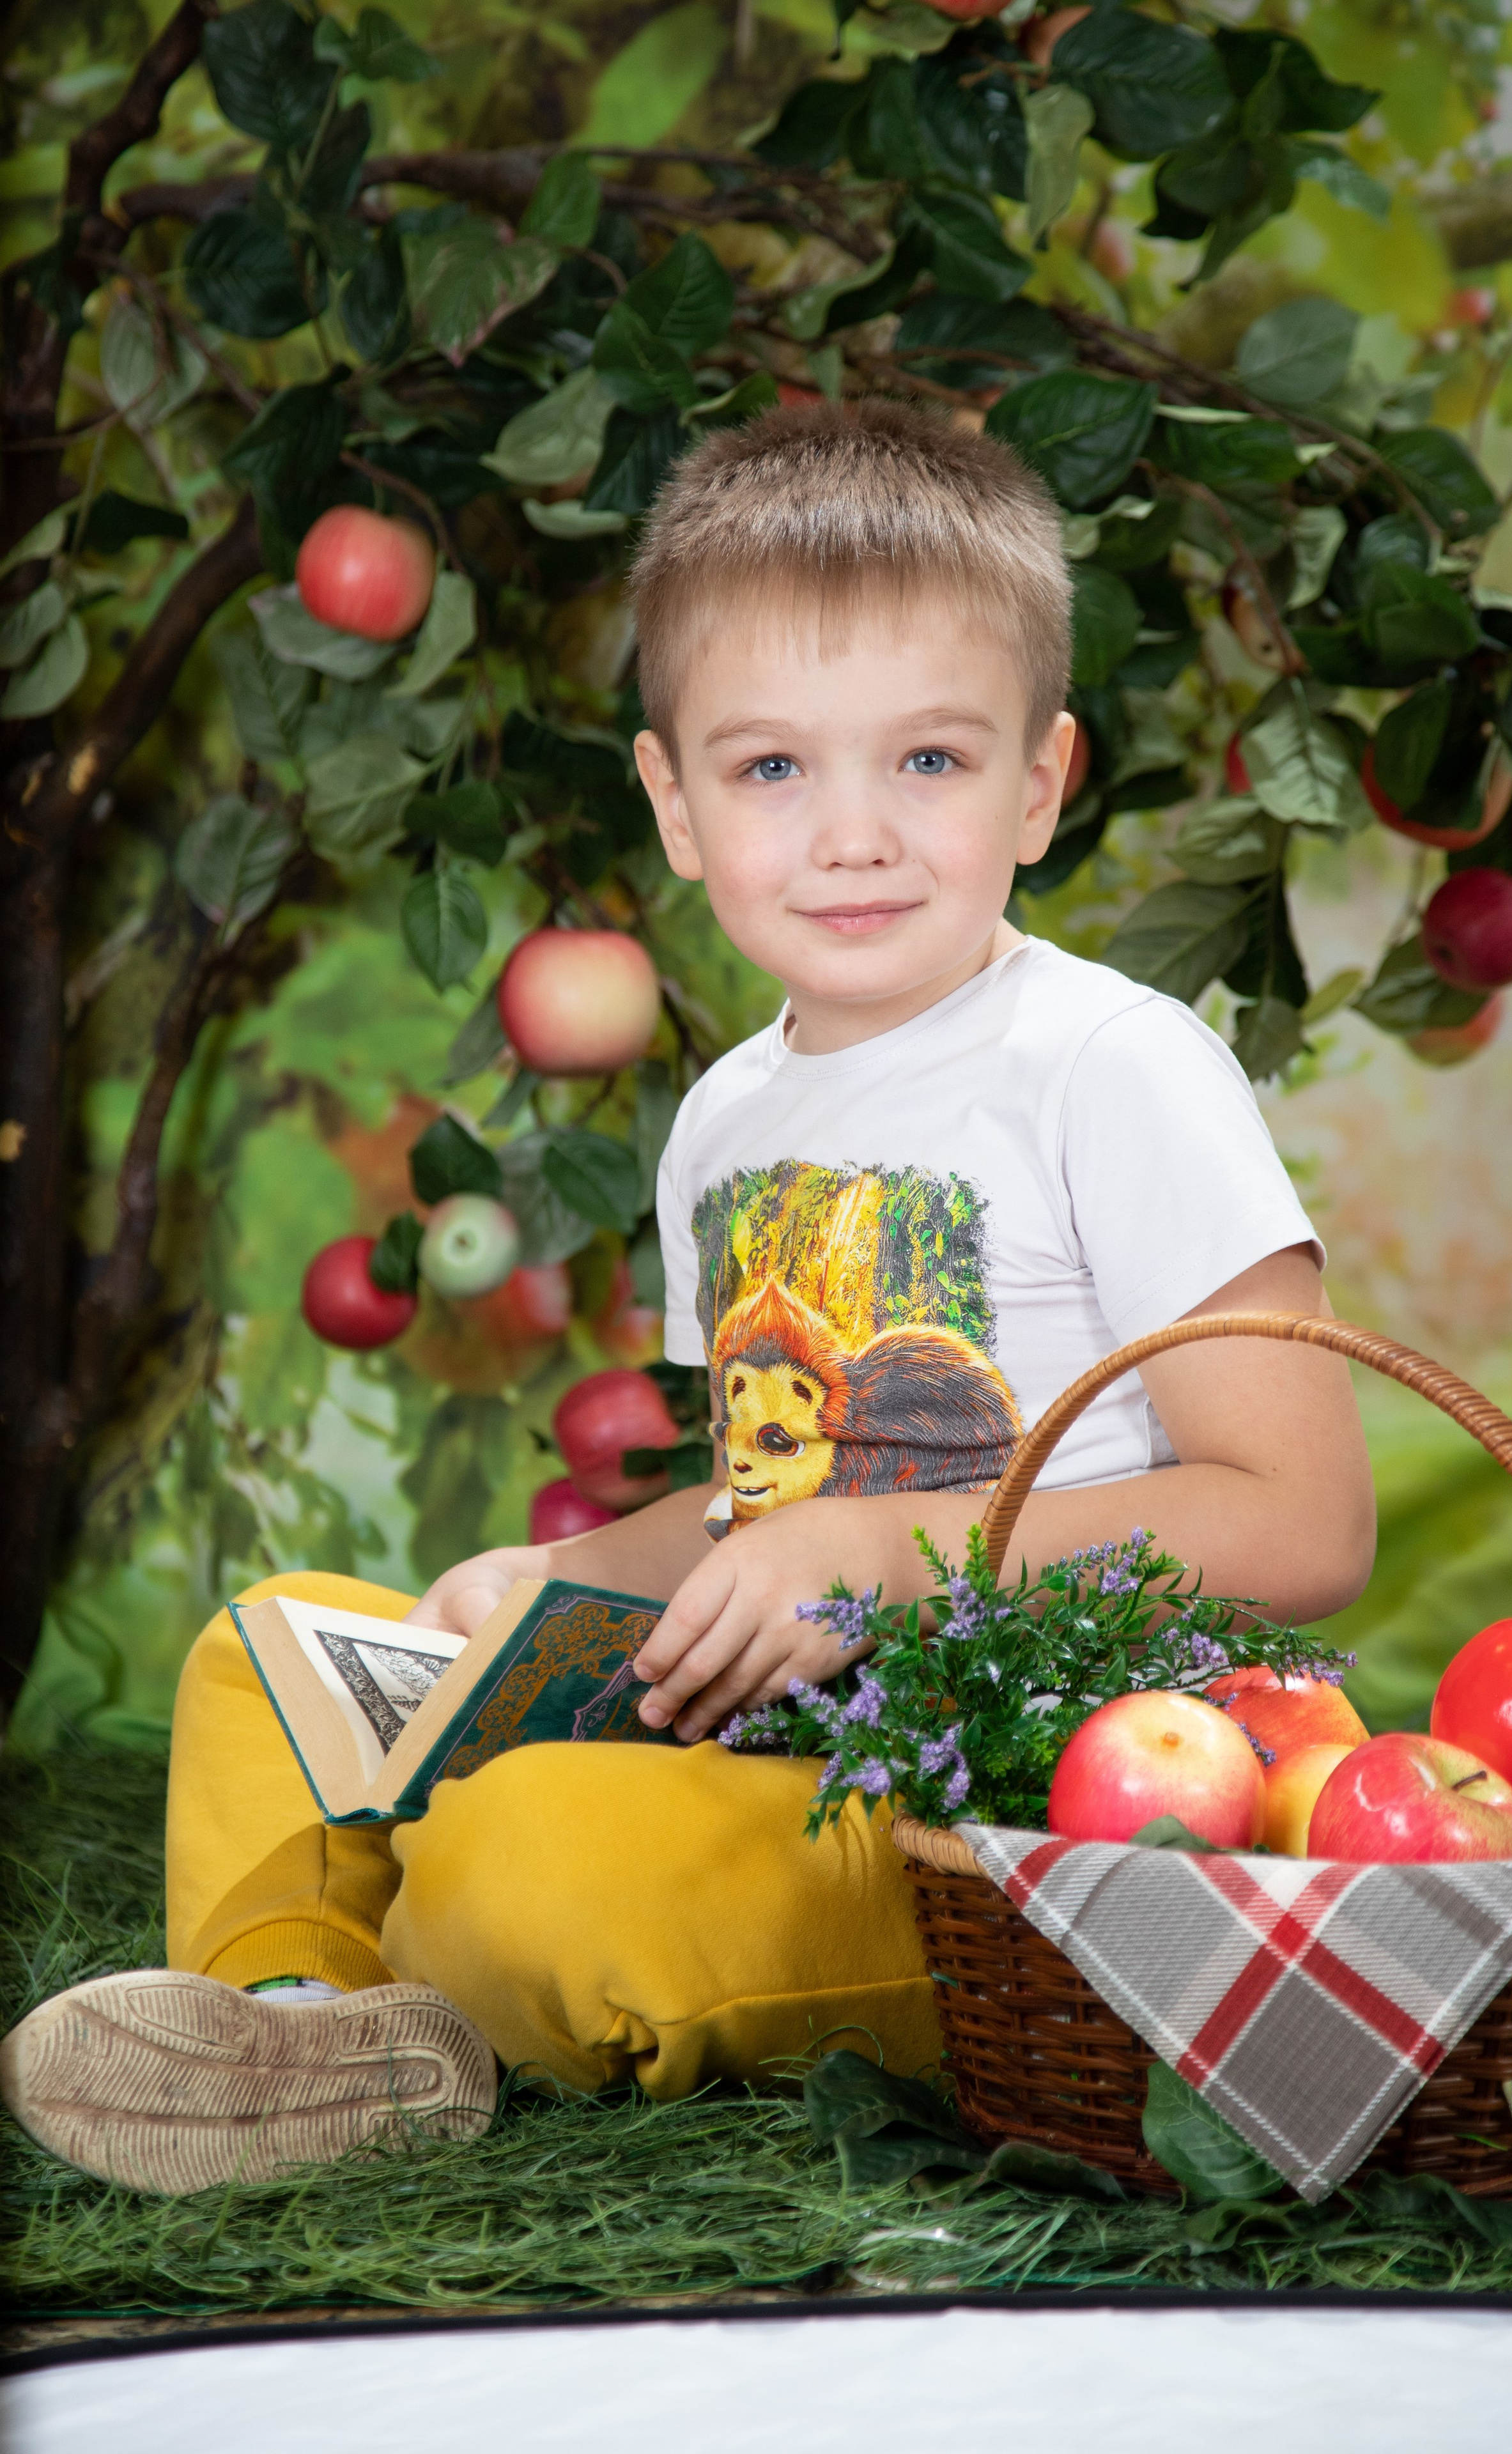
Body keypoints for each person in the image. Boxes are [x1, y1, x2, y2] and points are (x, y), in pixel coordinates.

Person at [1, 402, 1375, 2195]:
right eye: (774, 770)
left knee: (538, 1863)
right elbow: (765, 1504)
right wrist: (564, 1582)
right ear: (673, 801)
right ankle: (295, 2028)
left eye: (933, 764)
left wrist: (889, 1558)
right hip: (760, 1741)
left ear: (1042, 782)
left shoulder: (1115, 1064)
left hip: (1014, 1819)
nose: (855, 837)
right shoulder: (730, 1115)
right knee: (267, 1652)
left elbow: (1308, 1521)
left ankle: (405, 1993)